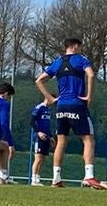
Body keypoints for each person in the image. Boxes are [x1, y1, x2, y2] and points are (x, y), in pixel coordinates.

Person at [37, 37, 102, 188]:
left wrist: (50, 98)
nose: (80, 49)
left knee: (61, 141)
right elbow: (91, 75)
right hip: (77, 104)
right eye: (79, 46)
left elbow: (39, 80)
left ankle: (56, 178)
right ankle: (89, 176)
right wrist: (89, 96)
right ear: (74, 46)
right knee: (88, 140)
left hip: (61, 106)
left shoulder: (57, 62)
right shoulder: (81, 59)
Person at [28, 99, 56, 186]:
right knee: (38, 158)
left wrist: (51, 136)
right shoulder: (39, 107)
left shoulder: (48, 110)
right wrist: (38, 132)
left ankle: (37, 178)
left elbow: (47, 125)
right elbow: (31, 122)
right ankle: (33, 179)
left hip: (46, 137)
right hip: (38, 137)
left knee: (42, 159)